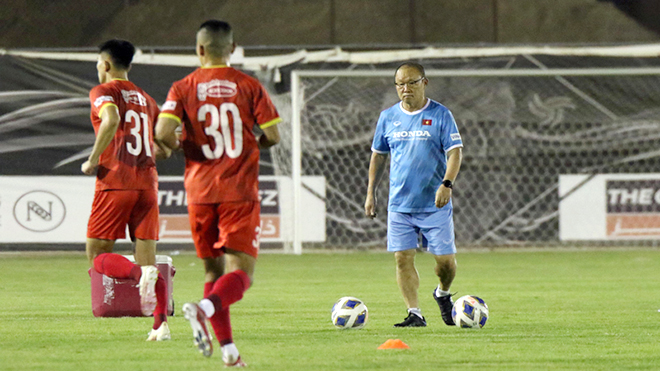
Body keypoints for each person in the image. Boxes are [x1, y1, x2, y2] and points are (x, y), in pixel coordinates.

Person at [155, 20, 281, 367]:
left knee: (213, 273)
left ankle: (228, 351)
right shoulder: (249, 85)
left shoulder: (182, 87)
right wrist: (248, 147)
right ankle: (203, 308)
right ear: (233, 48)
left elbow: (163, 131)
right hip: (238, 189)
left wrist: (184, 146)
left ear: (199, 50)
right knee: (241, 273)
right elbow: (273, 136)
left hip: (199, 191)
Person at [82, 39, 170, 341]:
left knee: (96, 254)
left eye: (97, 63)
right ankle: (160, 325)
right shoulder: (147, 99)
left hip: (116, 181)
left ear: (105, 64)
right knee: (147, 255)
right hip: (148, 183)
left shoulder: (103, 91)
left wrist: (93, 159)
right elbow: (167, 144)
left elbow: (112, 118)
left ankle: (131, 280)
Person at [364, 62, 463, 327]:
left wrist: (447, 184)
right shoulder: (388, 117)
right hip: (400, 204)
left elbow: (455, 152)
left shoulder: (441, 115)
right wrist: (371, 192)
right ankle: (415, 313)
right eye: (400, 84)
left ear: (424, 83)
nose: (405, 89)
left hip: (434, 203)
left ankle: (442, 293)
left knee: (445, 263)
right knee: (402, 258)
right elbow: (378, 156)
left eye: (411, 83)